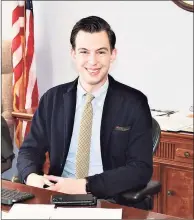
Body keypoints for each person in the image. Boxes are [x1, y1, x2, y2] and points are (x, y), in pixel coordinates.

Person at [17, 16, 153, 205]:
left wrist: (85, 186)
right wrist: (32, 177)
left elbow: (141, 168)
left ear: (113, 54)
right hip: (58, 197)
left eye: (101, 52)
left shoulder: (134, 103)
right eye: (84, 51)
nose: (93, 61)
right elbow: (29, 150)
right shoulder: (52, 99)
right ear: (73, 54)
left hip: (110, 199)